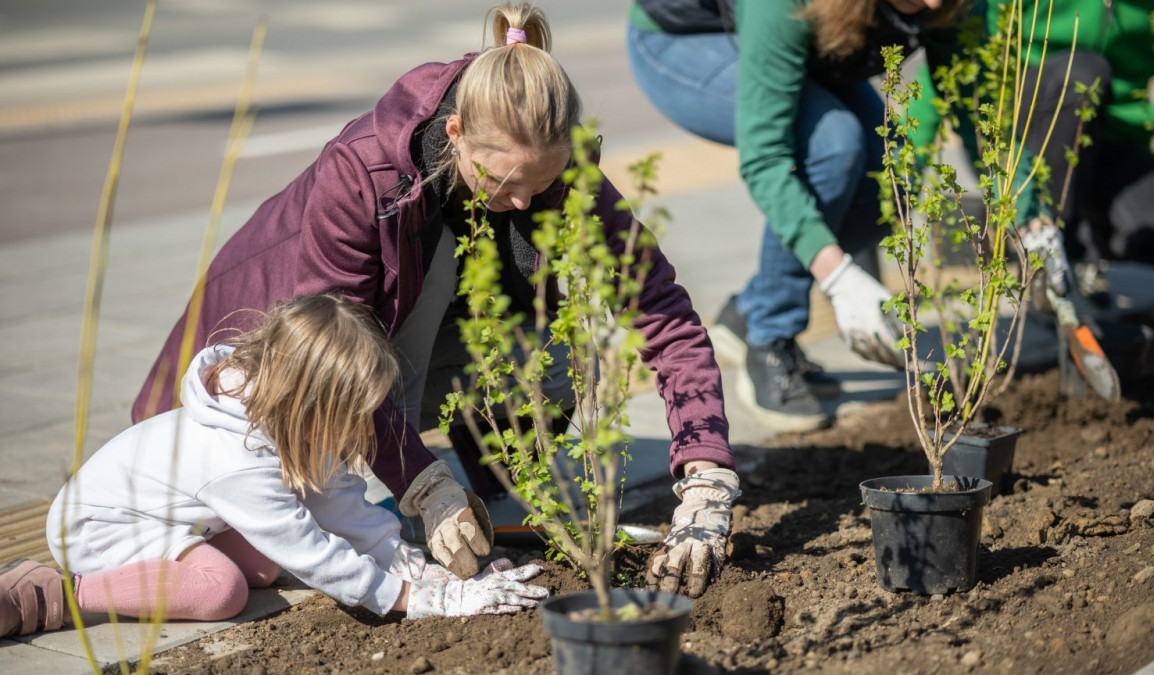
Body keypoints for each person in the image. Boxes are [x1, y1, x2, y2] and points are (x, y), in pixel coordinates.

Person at [131, 3, 739, 598]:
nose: (527, 203)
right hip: (262, 370)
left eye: (543, 184)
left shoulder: (562, 167)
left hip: (388, 356)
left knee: (550, 351)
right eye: (505, 184)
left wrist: (705, 473)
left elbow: (661, 312)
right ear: (455, 135)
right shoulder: (365, 174)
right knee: (261, 551)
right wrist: (424, 487)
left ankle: (489, 483)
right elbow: (336, 361)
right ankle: (432, 485)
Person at [0, 295, 548, 638]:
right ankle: (61, 592)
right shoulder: (235, 457)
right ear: (311, 406)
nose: (360, 432)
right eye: (350, 417)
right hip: (97, 525)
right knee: (222, 591)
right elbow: (311, 551)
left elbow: (341, 509)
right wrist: (418, 600)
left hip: (177, 515)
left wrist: (412, 565)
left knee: (262, 568)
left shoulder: (290, 416)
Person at [627, 0, 967, 433]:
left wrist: (1032, 221)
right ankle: (768, 334)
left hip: (802, 34)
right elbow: (765, 157)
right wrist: (839, 277)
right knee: (832, 143)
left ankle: (750, 311)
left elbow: (974, 103)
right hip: (684, 42)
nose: (936, 3)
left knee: (893, 166)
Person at [909, 0, 1154, 308]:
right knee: (1084, 75)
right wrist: (902, 177)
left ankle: (1071, 241)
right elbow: (950, 67)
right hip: (1023, 139)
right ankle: (1040, 261)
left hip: (1113, 141)